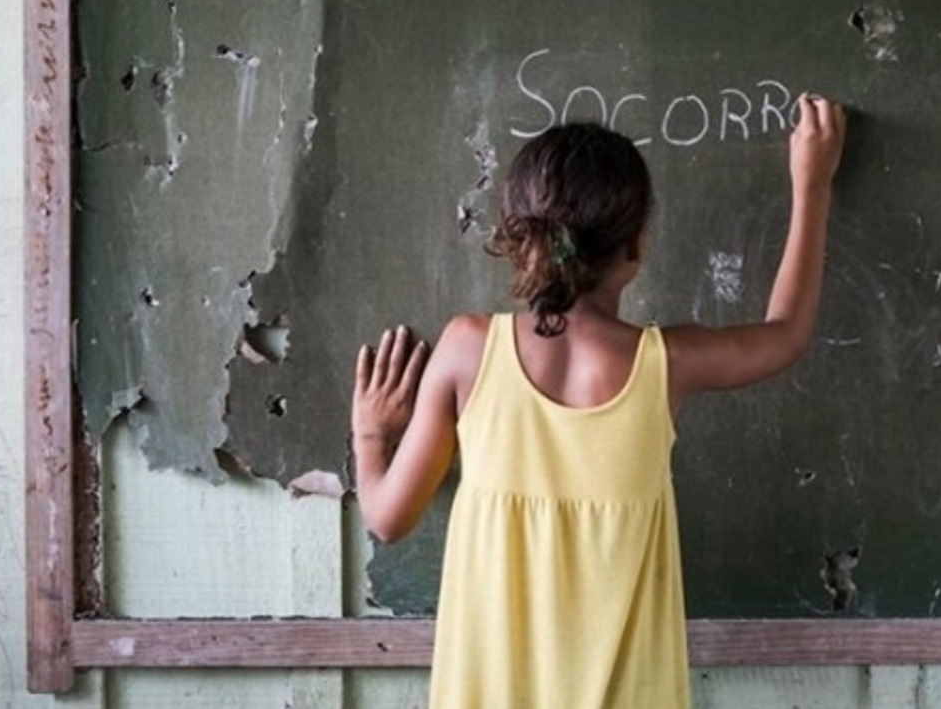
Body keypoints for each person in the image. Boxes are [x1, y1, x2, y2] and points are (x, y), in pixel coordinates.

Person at [351, 94, 846, 708]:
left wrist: (372, 436)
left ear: (518, 236)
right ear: (636, 246)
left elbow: (387, 517)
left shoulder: (465, 350)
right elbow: (787, 335)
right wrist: (812, 186)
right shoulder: (666, 366)